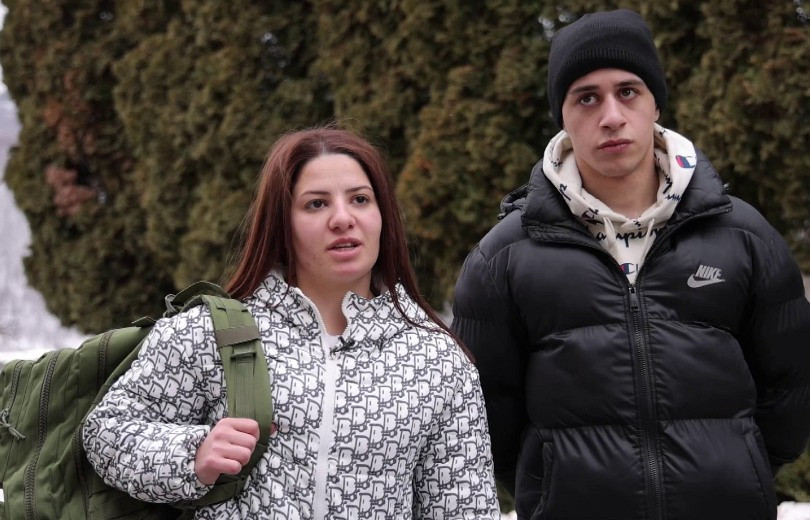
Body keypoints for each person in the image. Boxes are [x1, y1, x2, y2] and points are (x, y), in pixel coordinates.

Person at [452, 9, 810, 520]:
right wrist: (551, 487)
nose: (611, 116)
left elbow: (793, 384)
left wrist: (740, 468)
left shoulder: (743, 236)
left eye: (628, 92)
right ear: (562, 116)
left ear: (655, 103)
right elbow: (487, 415)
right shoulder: (503, 258)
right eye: (586, 98)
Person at [82, 126, 500, 519]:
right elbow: (106, 432)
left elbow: (465, 509)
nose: (342, 218)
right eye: (316, 203)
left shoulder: (437, 362)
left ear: (383, 216)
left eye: (360, 199)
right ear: (282, 223)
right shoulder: (213, 332)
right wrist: (193, 454)